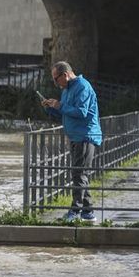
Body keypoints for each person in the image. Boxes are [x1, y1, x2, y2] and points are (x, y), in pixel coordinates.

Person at [41, 61, 103, 222]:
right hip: (76, 136)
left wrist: (59, 105)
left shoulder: (82, 86)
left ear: (66, 75)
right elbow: (66, 114)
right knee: (80, 174)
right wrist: (51, 108)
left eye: (56, 79)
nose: (55, 83)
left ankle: (75, 211)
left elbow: (81, 112)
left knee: (79, 173)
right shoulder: (67, 89)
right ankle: (88, 211)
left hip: (85, 136)